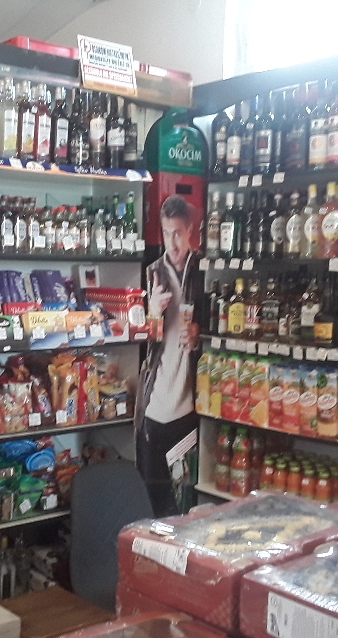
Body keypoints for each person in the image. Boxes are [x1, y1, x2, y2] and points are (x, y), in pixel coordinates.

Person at [136, 194, 200, 516]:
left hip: (188, 408)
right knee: (152, 501)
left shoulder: (203, 271)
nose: (172, 243)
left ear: (190, 231)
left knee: (184, 500)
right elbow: (144, 338)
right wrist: (152, 314)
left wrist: (200, 336)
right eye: (166, 234)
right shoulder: (153, 272)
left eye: (178, 234)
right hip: (154, 406)